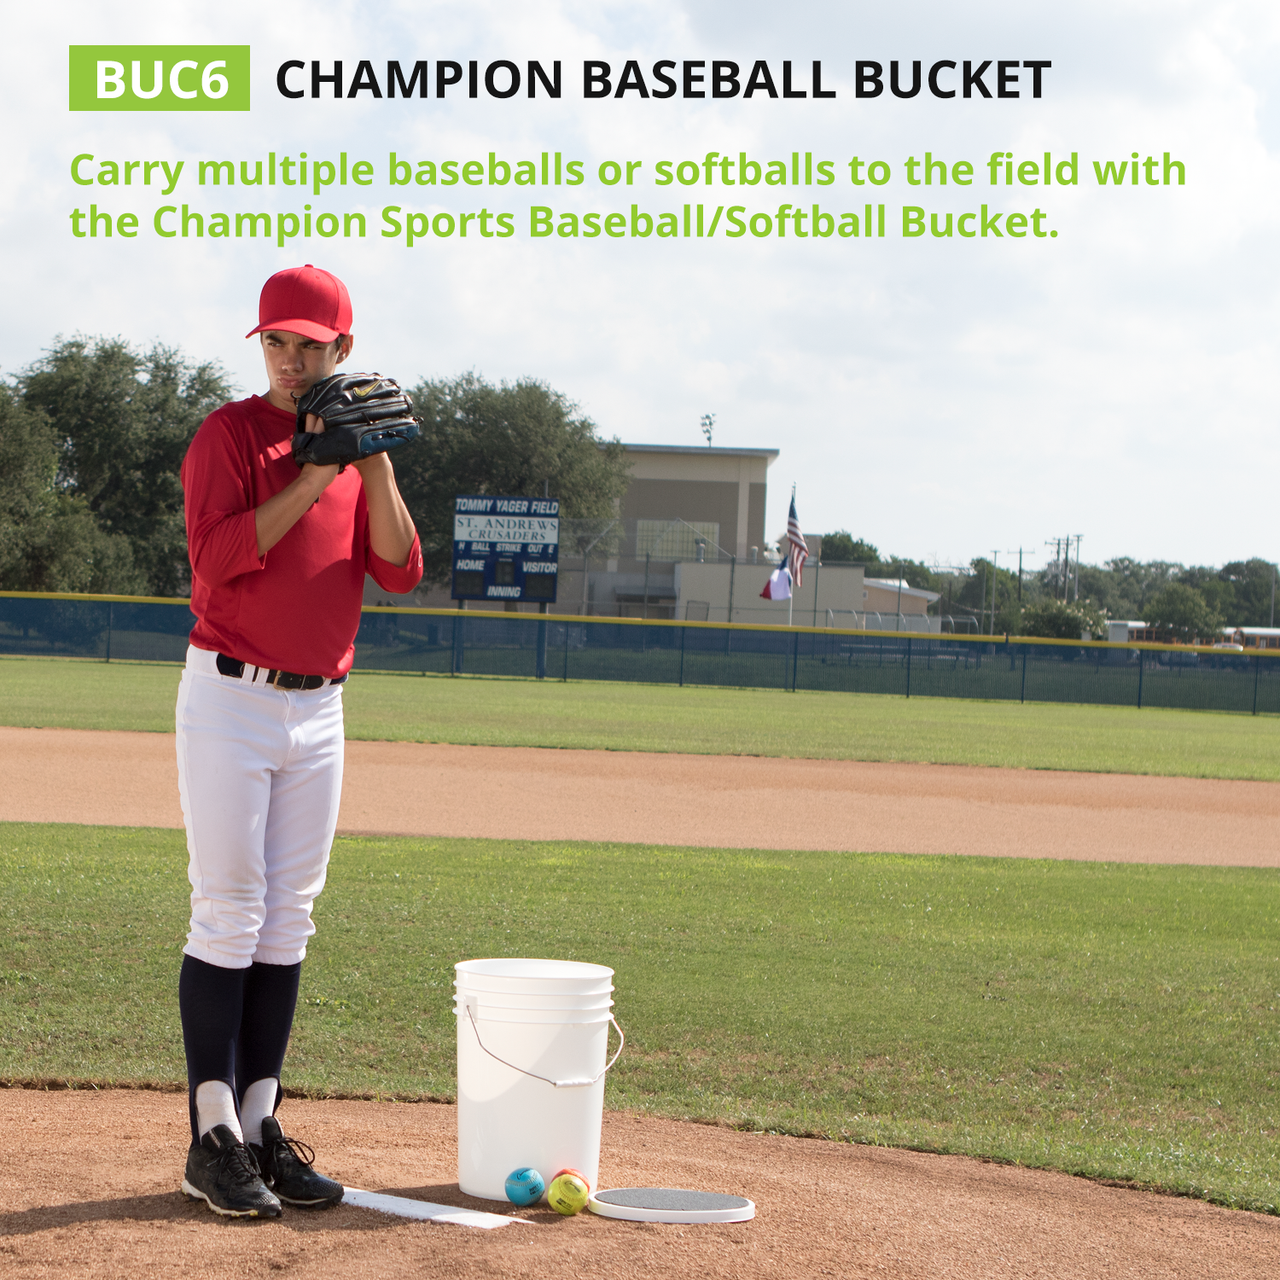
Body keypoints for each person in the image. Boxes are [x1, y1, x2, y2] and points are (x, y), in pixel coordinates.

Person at [175, 264, 423, 1218]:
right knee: (229, 911)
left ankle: (261, 1125)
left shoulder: (362, 460)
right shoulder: (229, 436)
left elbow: (399, 570)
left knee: (289, 920)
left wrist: (375, 464)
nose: (288, 360)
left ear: (344, 351)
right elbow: (219, 556)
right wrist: (314, 466)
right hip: (231, 698)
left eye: (308, 344)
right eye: (275, 342)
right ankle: (211, 1136)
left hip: (321, 707)